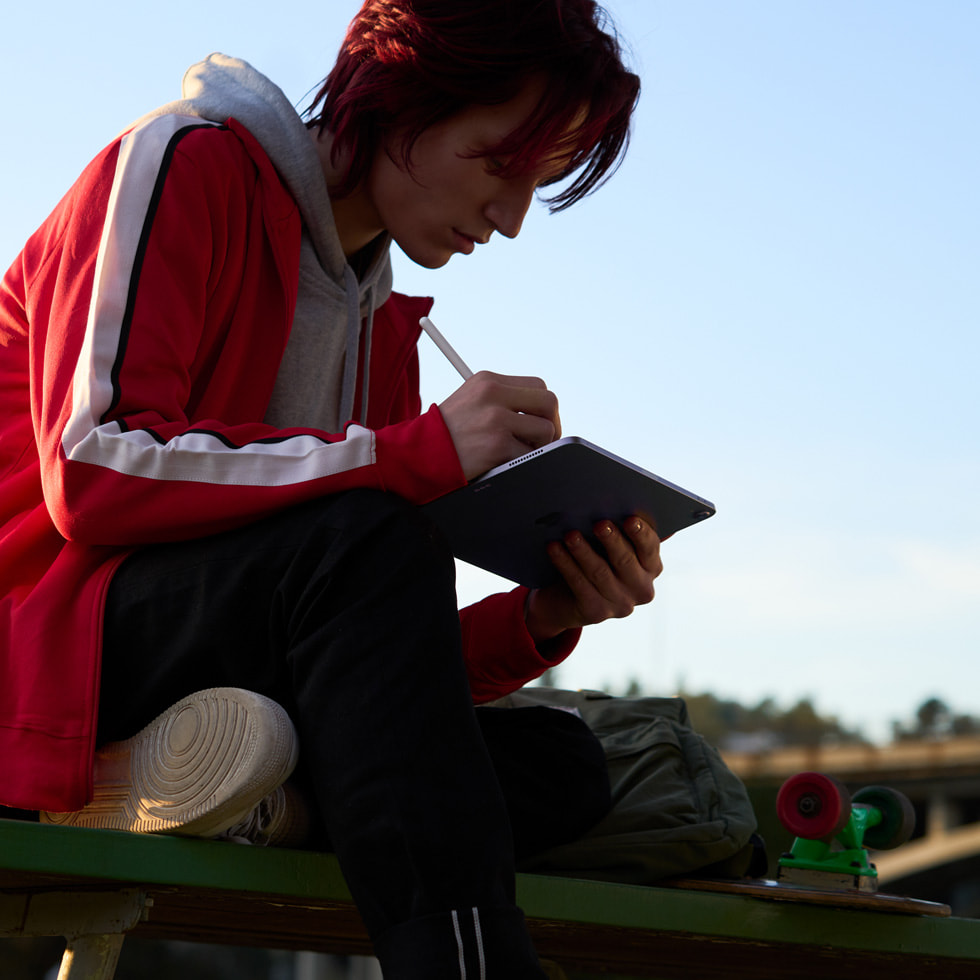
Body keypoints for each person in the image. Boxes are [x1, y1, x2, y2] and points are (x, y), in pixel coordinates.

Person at [0, 1, 660, 975]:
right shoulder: (181, 161)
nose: (513, 218)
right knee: (370, 539)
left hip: (220, 676)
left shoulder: (382, 323)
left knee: (565, 766)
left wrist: (539, 614)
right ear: (398, 97)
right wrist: (409, 454)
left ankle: (247, 799)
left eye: (539, 183)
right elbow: (95, 469)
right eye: (500, 163)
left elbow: (381, 671)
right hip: (52, 641)